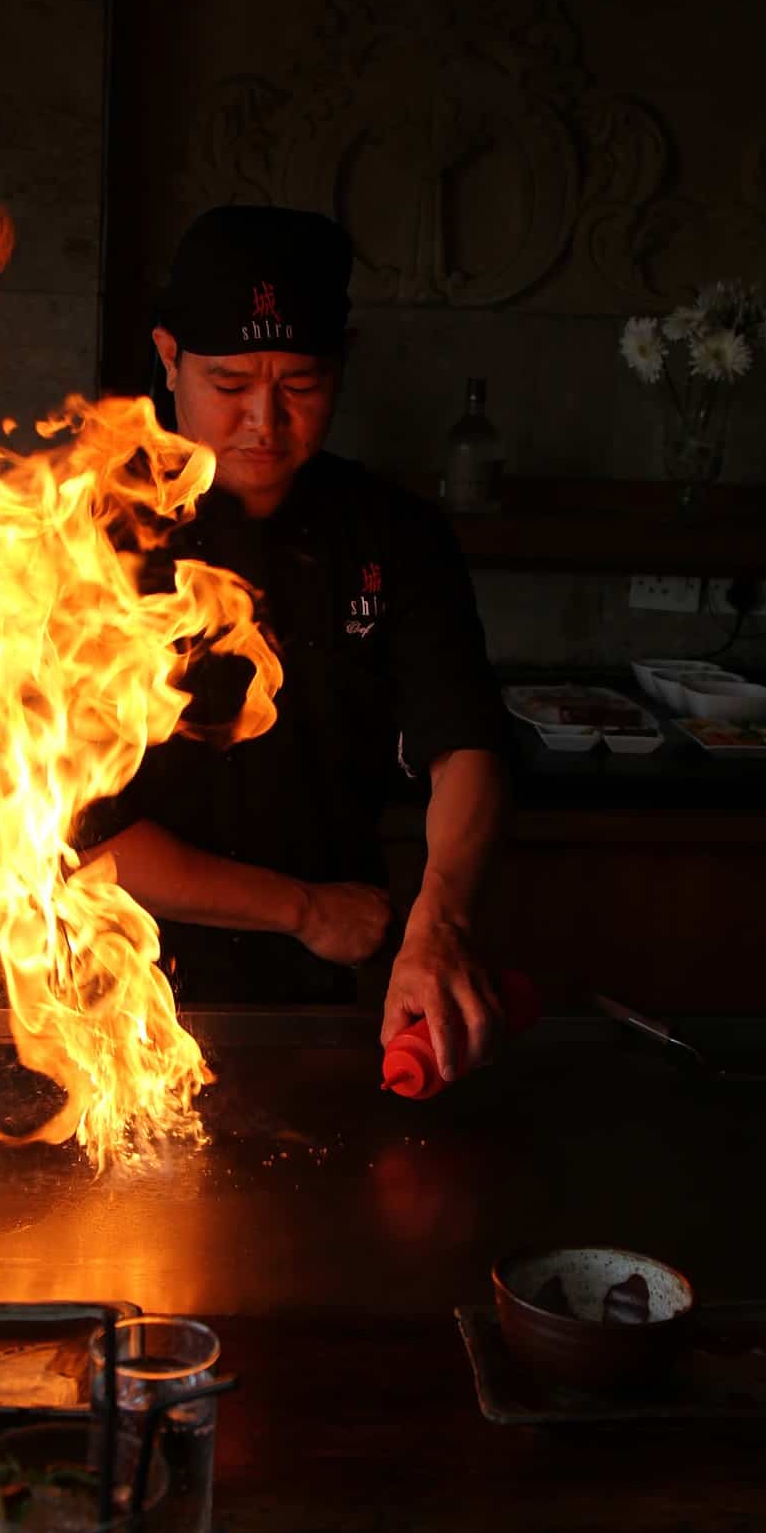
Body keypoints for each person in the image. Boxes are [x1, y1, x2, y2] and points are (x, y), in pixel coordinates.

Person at [86, 206, 509, 1080]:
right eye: (230, 384)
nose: (264, 422)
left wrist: (440, 921)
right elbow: (86, 836)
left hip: (327, 996)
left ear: (343, 363)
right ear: (169, 359)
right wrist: (303, 909)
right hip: (114, 984)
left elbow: (464, 739)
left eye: (302, 386)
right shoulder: (91, 534)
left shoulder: (395, 533)